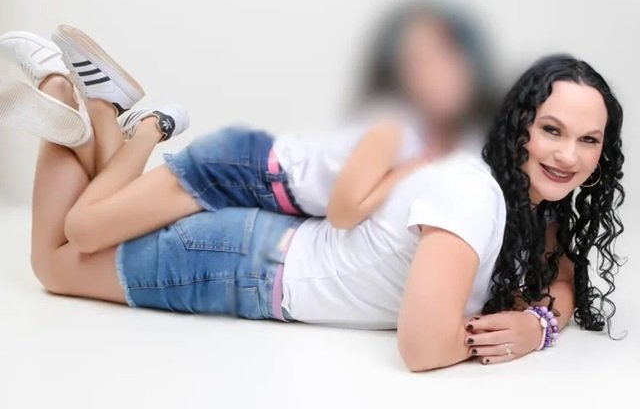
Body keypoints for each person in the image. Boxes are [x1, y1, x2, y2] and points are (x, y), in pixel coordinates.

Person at [0, 46, 624, 371]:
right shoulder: (473, 196)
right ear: (519, 127)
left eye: (588, 140)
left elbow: (562, 278)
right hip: (246, 268)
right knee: (56, 260)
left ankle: (97, 105)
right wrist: (515, 334)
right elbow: (424, 346)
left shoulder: (528, 207)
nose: (567, 154)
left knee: (85, 230)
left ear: (605, 153)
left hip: (261, 249)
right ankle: (62, 92)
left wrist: (538, 324)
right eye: (551, 130)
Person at [0, 0, 493, 249]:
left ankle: (97, 108)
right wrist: (408, 171)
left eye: (446, 62)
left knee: (108, 223)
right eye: (421, 63)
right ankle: (150, 125)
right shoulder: (398, 129)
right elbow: (344, 211)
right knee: (84, 230)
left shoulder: (425, 137)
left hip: (254, 178)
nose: (439, 76)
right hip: (241, 171)